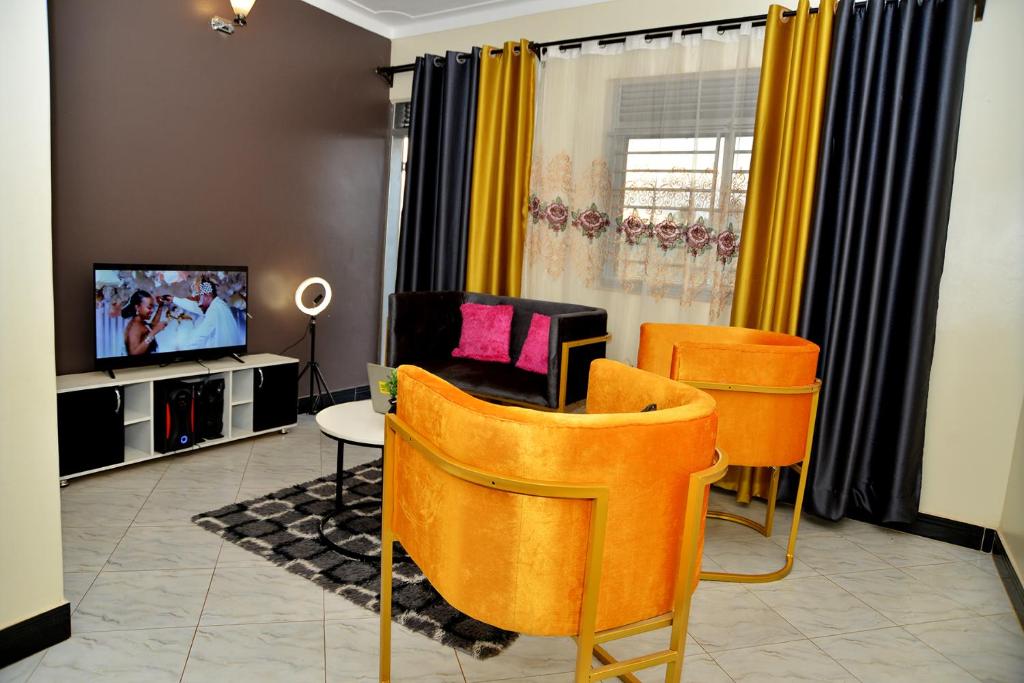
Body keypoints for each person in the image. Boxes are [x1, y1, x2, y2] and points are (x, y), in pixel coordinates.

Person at [165, 278, 240, 350]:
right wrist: (173, 299)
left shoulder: (214, 310)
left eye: (198, 298)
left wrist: (184, 349)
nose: (198, 303)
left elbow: (198, 336)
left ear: (207, 294)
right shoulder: (218, 305)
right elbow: (195, 307)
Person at [122, 290, 166, 356]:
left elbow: (151, 328)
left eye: (153, 307)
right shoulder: (135, 327)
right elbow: (133, 354)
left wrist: (160, 306)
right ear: (137, 307)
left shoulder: (140, 322)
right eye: (149, 307)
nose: (152, 311)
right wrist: (153, 332)